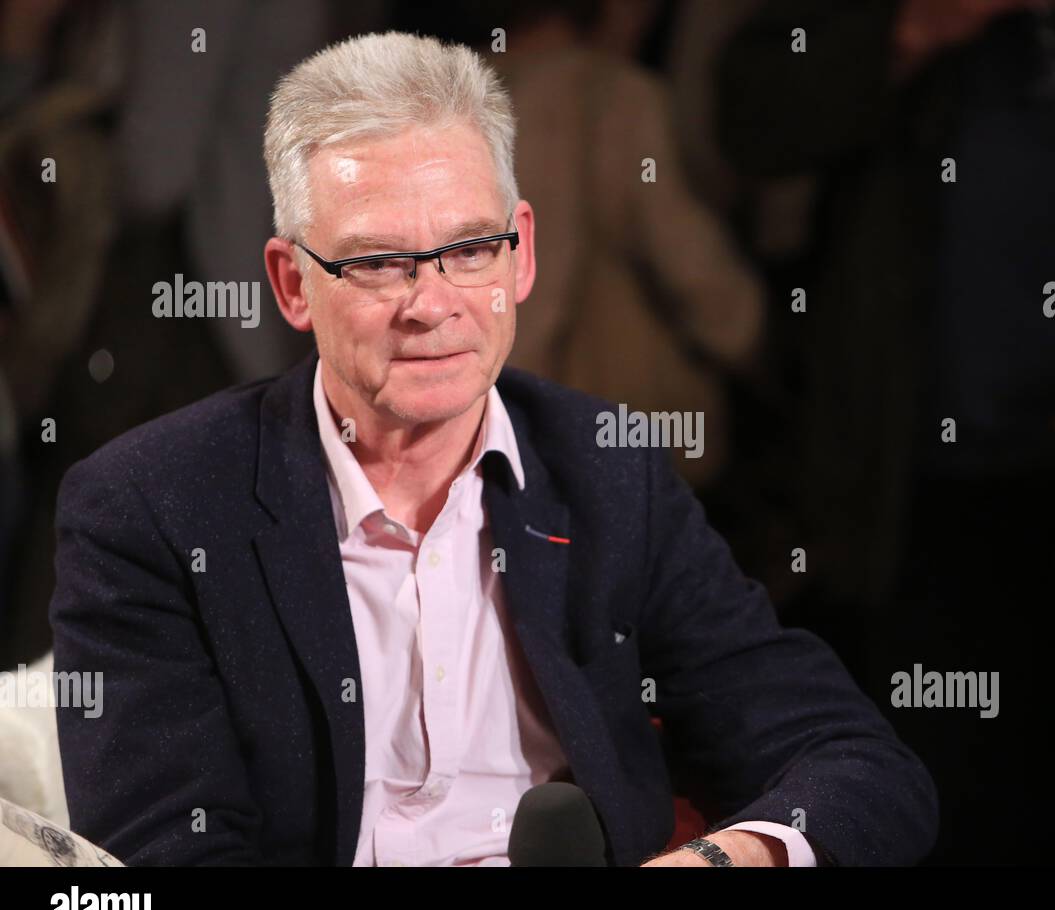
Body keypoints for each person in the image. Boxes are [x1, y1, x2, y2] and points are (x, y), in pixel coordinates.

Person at [49, 32, 937, 867]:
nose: (432, 304)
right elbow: (164, 863)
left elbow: (853, 763)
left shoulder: (605, 469)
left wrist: (725, 855)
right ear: (291, 283)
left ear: (521, 256)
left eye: (470, 249)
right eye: (379, 262)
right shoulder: (153, 507)